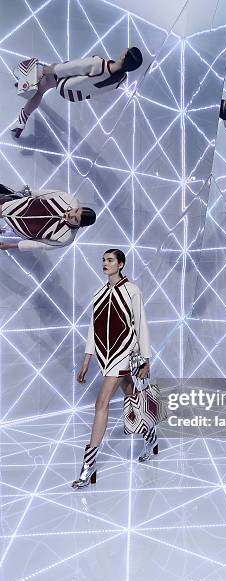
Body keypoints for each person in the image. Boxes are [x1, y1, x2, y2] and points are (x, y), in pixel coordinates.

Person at [72, 249, 152, 489]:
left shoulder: (132, 291)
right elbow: (92, 327)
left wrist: (147, 359)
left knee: (101, 403)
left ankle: (89, 464)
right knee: (132, 397)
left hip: (124, 353)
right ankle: (152, 437)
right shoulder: (98, 292)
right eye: (103, 260)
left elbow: (141, 324)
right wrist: (86, 358)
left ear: (121, 264)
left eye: (109, 260)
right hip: (104, 355)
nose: (105, 264)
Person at [11, 46, 143, 138]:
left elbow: (74, 67)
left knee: (40, 87)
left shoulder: (98, 64)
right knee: (43, 79)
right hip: (76, 92)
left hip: (66, 82)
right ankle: (28, 84)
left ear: (124, 55)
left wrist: (54, 69)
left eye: (127, 49)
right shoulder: (121, 79)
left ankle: (22, 118)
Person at [0, 183, 96, 251]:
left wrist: (10, 245)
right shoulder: (70, 200)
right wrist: (25, 193)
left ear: (80, 226)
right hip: (24, 205)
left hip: (22, 227)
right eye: (75, 210)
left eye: (75, 219)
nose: (71, 214)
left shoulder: (66, 238)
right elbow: (45, 194)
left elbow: (38, 245)